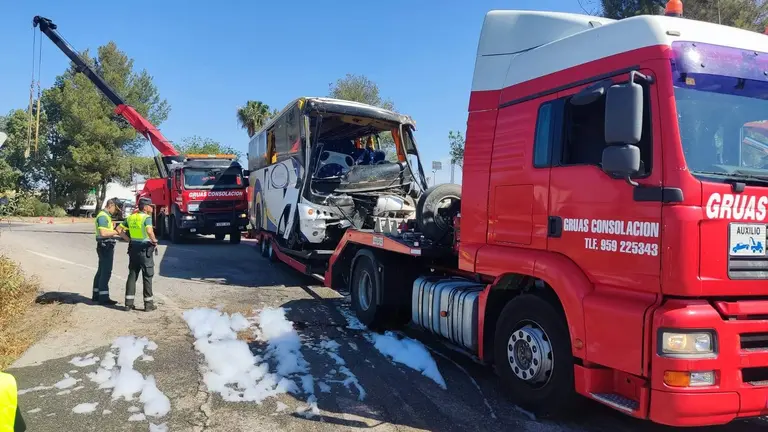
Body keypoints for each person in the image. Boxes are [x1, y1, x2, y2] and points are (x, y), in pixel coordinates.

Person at [118, 197, 158, 312]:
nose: (152, 208)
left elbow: (119, 229)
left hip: (133, 248)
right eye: (150, 206)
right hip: (144, 249)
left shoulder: (131, 217)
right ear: (145, 207)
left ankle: (128, 304)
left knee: (132, 274)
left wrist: (129, 240)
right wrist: (154, 241)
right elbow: (149, 231)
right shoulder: (146, 218)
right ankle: (148, 305)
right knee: (147, 276)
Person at [92, 198, 123, 305]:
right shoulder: (103, 216)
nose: (116, 211)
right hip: (105, 246)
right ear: (111, 205)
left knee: (101, 271)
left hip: (104, 246)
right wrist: (117, 231)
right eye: (116, 209)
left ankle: (96, 295)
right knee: (106, 272)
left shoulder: (105, 216)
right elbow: (103, 233)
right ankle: (103, 297)